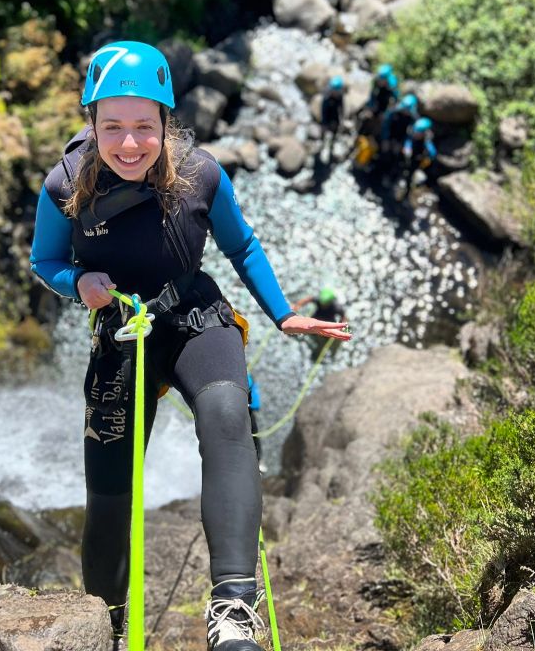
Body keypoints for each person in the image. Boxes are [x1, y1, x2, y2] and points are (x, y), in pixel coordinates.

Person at [30, 40, 351, 651]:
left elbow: (242, 245)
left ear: (165, 121)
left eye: (144, 126)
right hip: (121, 331)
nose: (129, 143)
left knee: (227, 414)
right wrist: (78, 282)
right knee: (109, 496)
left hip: (194, 315)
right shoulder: (65, 185)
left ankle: (233, 612)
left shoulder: (200, 174)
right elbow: (44, 260)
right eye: (112, 126)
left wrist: (283, 315)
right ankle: (108, 627)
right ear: (91, 122)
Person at [398, 117, 437, 201]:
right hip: (410, 158)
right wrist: (407, 148)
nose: (416, 134)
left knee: (412, 177)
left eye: (418, 132)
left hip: (418, 162)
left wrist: (427, 160)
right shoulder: (412, 134)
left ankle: (408, 193)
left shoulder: (427, 141)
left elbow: (432, 153)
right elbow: (408, 141)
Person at [359, 63, 399, 138]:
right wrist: (371, 106)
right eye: (380, 79)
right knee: (364, 115)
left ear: (386, 79)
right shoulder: (376, 81)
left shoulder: (392, 85)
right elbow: (372, 95)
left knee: (383, 122)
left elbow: (394, 102)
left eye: (382, 80)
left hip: (386, 103)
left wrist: (386, 113)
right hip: (378, 99)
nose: (380, 81)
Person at [320, 76, 345, 159]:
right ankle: (324, 146)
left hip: (335, 116)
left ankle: (332, 144)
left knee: (335, 131)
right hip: (328, 116)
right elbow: (324, 111)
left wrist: (342, 118)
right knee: (326, 133)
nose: (336, 93)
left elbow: (341, 107)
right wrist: (324, 124)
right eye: (334, 91)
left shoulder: (340, 95)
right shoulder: (326, 97)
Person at [247, 372, 266, 473]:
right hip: (245, 409)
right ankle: (258, 461)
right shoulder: (249, 376)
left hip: (247, 410)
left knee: (254, 436)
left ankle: (258, 461)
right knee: (254, 436)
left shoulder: (249, 377)